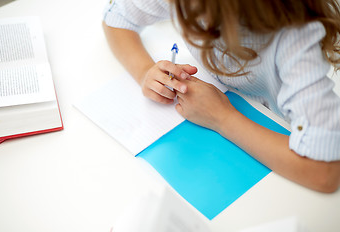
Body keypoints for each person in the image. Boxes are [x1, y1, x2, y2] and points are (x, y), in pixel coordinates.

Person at [102, 0, 340, 193]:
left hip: (282, 139)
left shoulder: (293, 37)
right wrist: (145, 72)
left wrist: (221, 117)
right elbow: (117, 17)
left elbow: (325, 171)